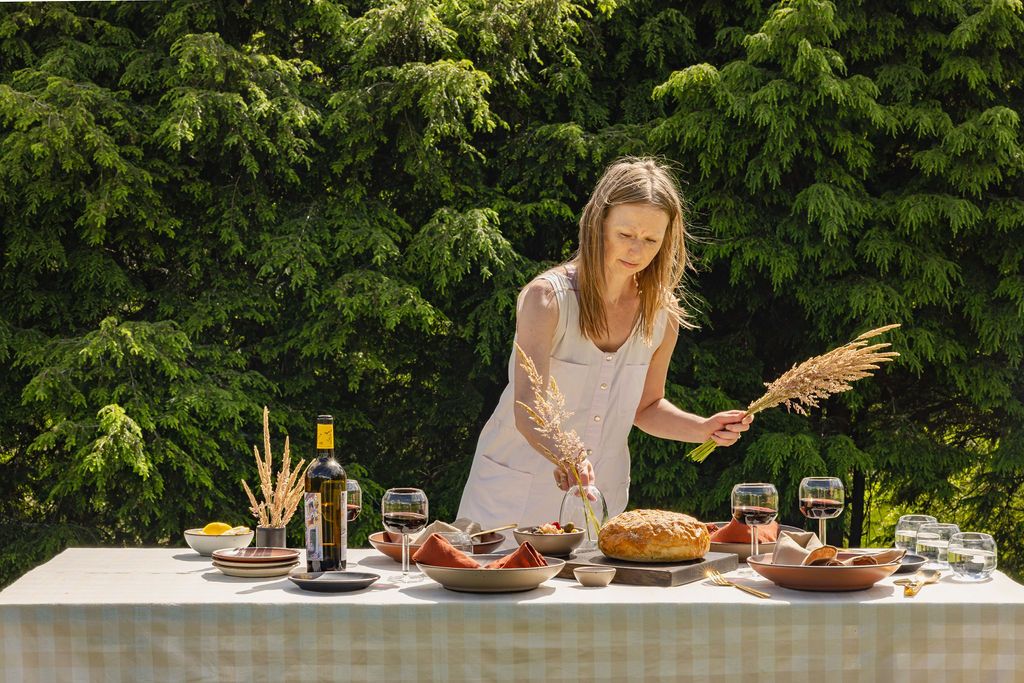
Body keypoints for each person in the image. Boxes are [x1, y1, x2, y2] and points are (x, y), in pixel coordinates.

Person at [457, 157, 752, 535]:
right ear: (599, 225)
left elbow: (646, 407)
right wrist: (565, 454)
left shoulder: (663, 314)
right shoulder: (547, 299)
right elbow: (528, 406)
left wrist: (703, 428)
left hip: (599, 502)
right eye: (625, 235)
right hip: (511, 499)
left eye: (651, 240)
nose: (637, 251)